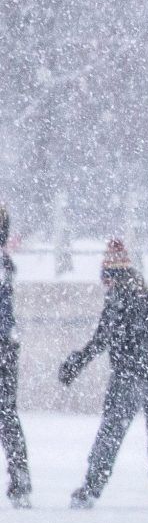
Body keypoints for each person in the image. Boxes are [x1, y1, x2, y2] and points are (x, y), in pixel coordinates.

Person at [61, 240, 148, 507]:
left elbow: (101, 340)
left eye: (105, 279)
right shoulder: (147, 300)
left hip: (128, 377)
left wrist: (75, 364)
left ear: (112, 277)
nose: (104, 286)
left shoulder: (119, 302)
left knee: (110, 434)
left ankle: (91, 489)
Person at [0, 205, 29, 506]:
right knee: (7, 415)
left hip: (4, 344)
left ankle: (20, 477)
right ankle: (20, 476)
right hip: (7, 345)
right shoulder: (5, 264)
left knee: (6, 415)